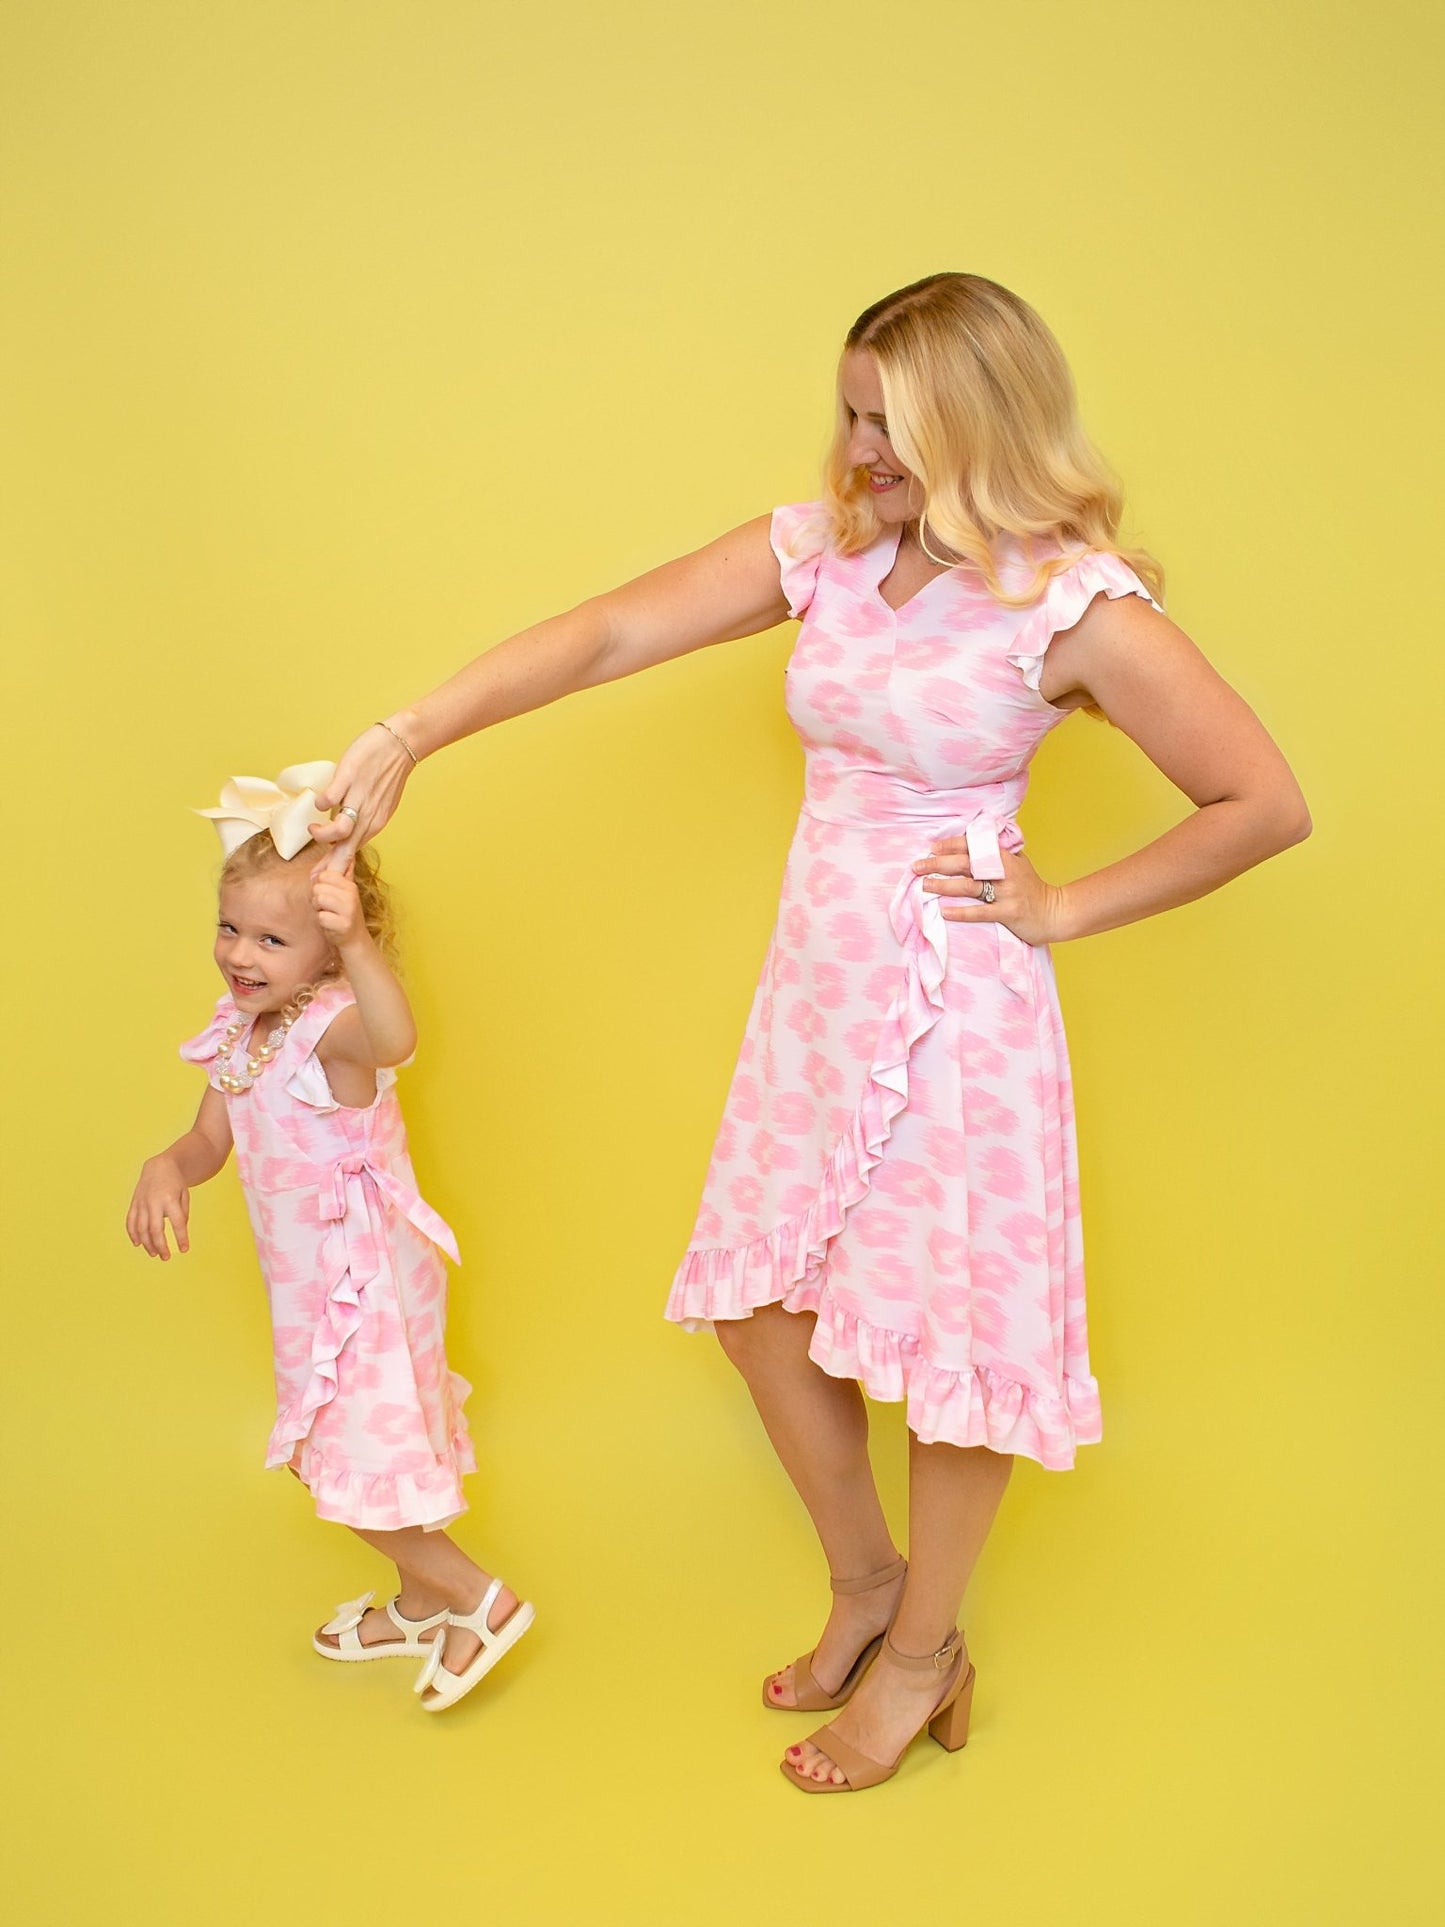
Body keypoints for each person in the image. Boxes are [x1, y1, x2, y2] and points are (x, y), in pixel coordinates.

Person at [311, 273, 1311, 1788]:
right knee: (760, 1309)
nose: (855, 447)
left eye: (887, 421)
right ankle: (866, 1585)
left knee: (950, 1335)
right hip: (815, 993)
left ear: (979, 426)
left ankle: (923, 1654)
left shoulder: (1073, 603)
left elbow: (1263, 802)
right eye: (847, 411)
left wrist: (1060, 908)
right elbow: (604, 634)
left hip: (955, 1008)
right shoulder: (826, 551)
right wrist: (411, 730)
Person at [126, 763, 534, 1712]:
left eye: (275, 938)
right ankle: (423, 1598)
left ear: (325, 953)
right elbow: (206, 1139)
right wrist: (164, 1166)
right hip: (306, 1284)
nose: (243, 954)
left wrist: (357, 949)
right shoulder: (242, 1033)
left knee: (359, 1451)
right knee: (343, 1442)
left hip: (368, 1281)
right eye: (231, 928)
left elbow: (397, 1040)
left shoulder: (332, 1030)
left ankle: (478, 1597)